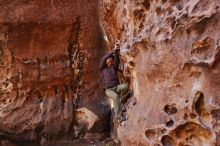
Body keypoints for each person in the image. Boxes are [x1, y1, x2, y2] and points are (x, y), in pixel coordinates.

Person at [99, 48, 129, 123]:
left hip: (116, 87)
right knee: (115, 97)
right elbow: (103, 59)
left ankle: (122, 100)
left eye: (111, 60)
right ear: (106, 62)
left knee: (125, 86)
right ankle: (119, 116)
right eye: (108, 60)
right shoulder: (102, 69)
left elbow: (117, 60)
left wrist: (115, 51)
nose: (109, 60)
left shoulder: (114, 67)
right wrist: (111, 52)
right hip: (108, 90)